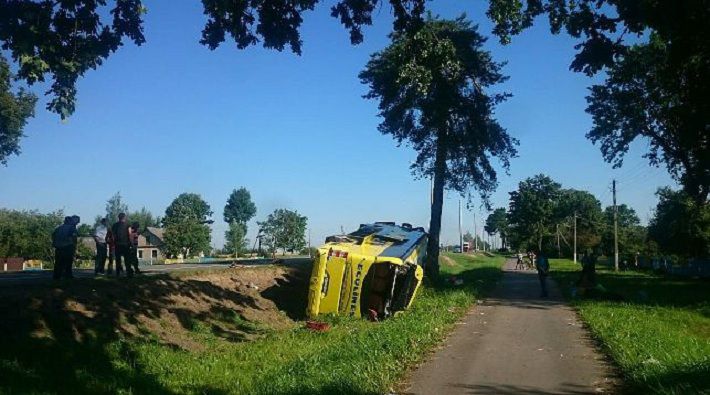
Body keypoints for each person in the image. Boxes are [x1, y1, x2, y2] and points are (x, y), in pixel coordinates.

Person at [111, 213, 133, 278]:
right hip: (126, 244)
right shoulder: (127, 225)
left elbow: (113, 236)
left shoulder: (114, 225)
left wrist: (113, 243)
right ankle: (128, 273)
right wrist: (132, 243)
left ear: (118, 217)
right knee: (127, 260)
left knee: (118, 260)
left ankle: (117, 273)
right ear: (124, 217)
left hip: (117, 244)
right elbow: (130, 234)